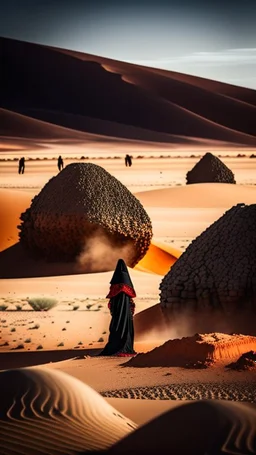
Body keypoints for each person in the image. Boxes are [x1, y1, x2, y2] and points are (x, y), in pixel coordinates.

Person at [99, 259, 137, 357]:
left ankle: (115, 347)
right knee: (126, 329)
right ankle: (126, 347)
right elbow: (131, 300)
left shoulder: (114, 284)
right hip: (126, 314)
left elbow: (112, 300)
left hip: (117, 313)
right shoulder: (128, 284)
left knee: (116, 328)